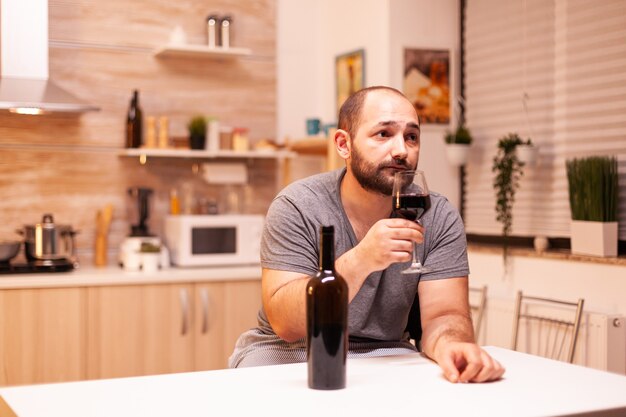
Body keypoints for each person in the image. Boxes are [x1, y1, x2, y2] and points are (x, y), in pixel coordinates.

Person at [229, 86, 505, 383]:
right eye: (383, 134)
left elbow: (444, 316)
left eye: (411, 137)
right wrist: (362, 259)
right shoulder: (298, 205)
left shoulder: (438, 215)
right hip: (289, 351)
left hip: (384, 353)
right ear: (343, 145)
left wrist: (453, 345)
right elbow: (287, 323)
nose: (401, 150)